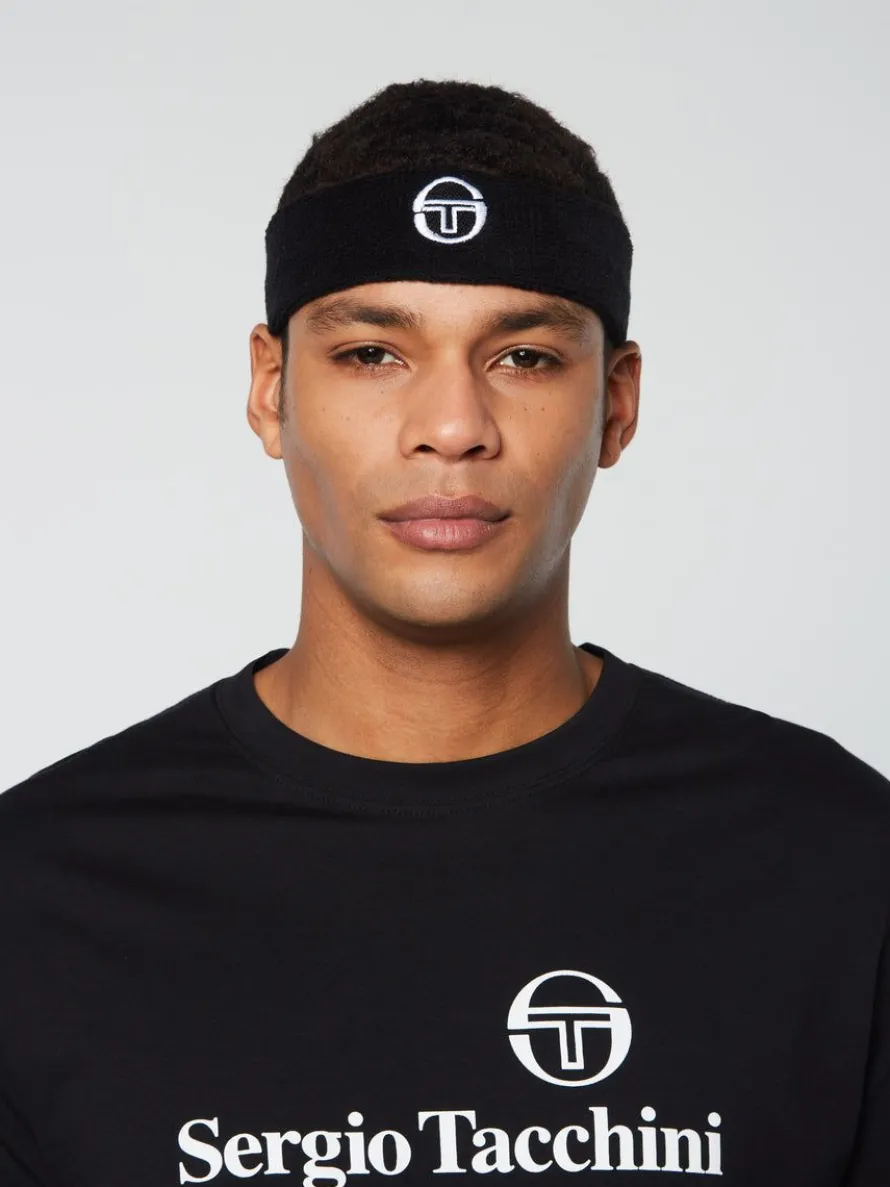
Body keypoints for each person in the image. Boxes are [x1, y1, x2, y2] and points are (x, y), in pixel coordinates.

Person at [1, 79, 887, 1187]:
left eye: (524, 357)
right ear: (271, 390)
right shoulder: (38, 895)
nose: (452, 427)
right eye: (373, 352)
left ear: (615, 405)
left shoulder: (834, 860)